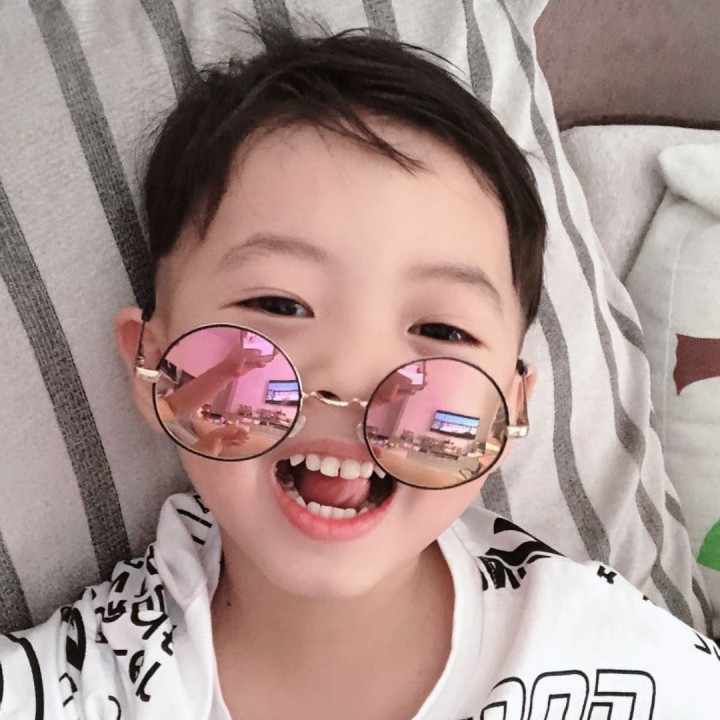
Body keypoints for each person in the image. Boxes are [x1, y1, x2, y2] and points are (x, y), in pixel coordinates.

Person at [1, 19, 718, 720]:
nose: (350, 377)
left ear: (512, 412)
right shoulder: (78, 682)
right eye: (278, 303)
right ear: (152, 362)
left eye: (441, 330)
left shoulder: (629, 665)